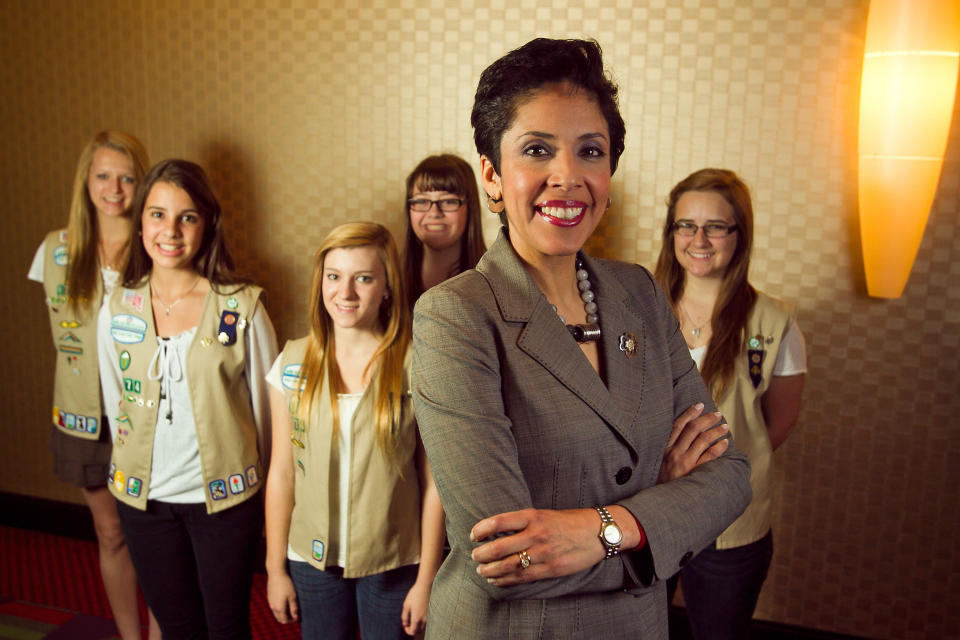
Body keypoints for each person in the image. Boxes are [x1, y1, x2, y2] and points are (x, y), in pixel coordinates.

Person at [411, 38, 753, 639]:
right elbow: (509, 560)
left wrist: (604, 528)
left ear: (609, 174)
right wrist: (662, 503)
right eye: (537, 150)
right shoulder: (455, 316)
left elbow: (729, 480)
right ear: (492, 175)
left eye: (589, 152)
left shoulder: (640, 294)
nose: (567, 177)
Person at [97, 159, 278, 639]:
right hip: (145, 502)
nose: (170, 230)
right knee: (177, 627)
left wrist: (258, 495)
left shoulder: (241, 306)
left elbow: (267, 416)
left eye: (187, 217)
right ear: (140, 225)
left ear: (207, 224)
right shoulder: (118, 306)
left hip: (224, 502)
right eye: (157, 214)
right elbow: (117, 400)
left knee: (226, 627)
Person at [264, 221, 445, 639]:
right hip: (310, 563)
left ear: (386, 287)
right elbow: (282, 474)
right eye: (334, 277)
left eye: (363, 278)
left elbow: (434, 484)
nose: (345, 293)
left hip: (394, 564)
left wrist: (426, 579)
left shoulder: (415, 365)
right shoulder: (292, 362)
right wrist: (275, 567)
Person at [655, 168, 806, 640]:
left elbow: (776, 425)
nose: (699, 239)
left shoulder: (774, 322)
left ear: (739, 235)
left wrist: (717, 468)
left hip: (732, 523)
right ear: (671, 233)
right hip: (647, 509)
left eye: (716, 226)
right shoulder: (637, 308)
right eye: (686, 225)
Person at [28, 130, 160, 640]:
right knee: (110, 534)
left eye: (128, 178)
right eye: (104, 175)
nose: (115, 189)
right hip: (85, 416)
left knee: (153, 539)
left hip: (146, 416)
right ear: (87, 180)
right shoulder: (56, 251)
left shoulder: (156, 246)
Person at [401, 153, 486, 309]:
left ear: (470, 208)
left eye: (448, 201)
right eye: (421, 201)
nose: (434, 213)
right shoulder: (391, 280)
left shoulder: (493, 284)